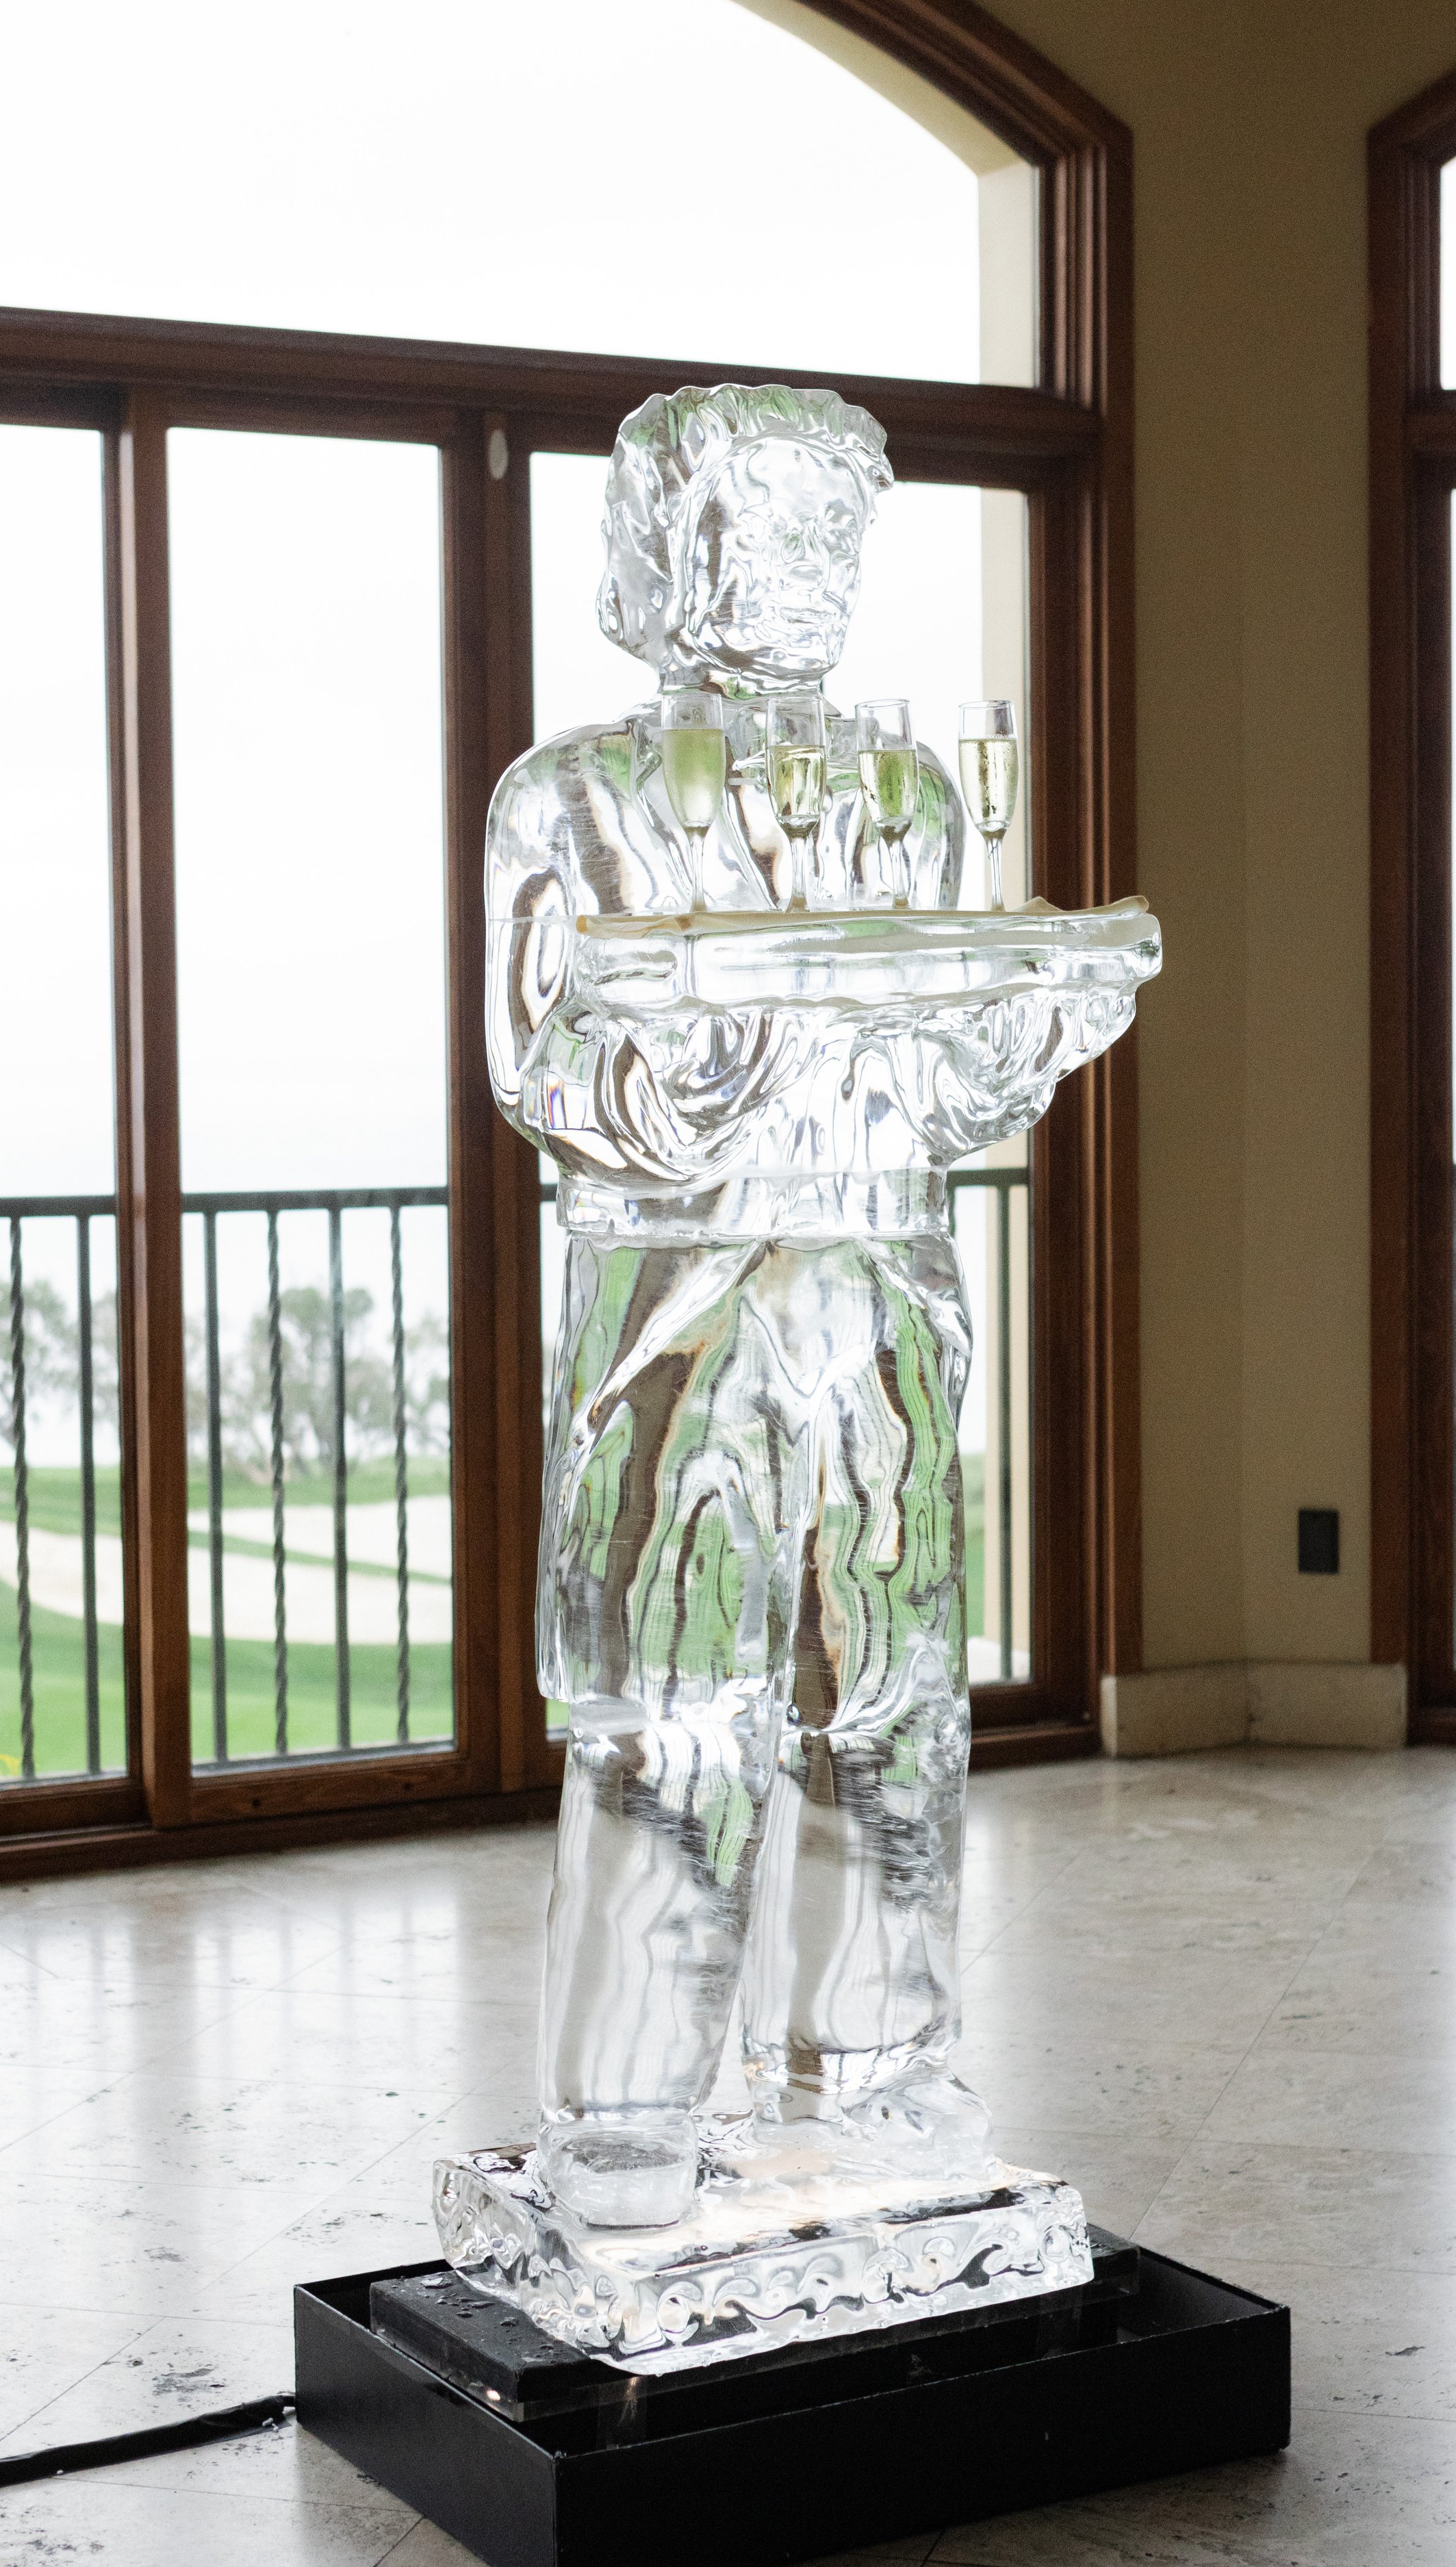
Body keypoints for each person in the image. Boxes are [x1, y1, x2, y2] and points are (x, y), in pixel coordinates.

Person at [485, 383, 1069, 2230]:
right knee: (668, 1706)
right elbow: (547, 1076)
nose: (813, 568)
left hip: (881, 1299)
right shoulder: (567, 797)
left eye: (837, 531)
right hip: (680, 1309)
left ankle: (874, 2078)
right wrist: (719, 1060)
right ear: (667, 553)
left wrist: (1028, 1036)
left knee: (891, 1693)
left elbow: (948, 1090)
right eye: (771, 526)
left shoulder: (910, 799)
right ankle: (627, 2112)